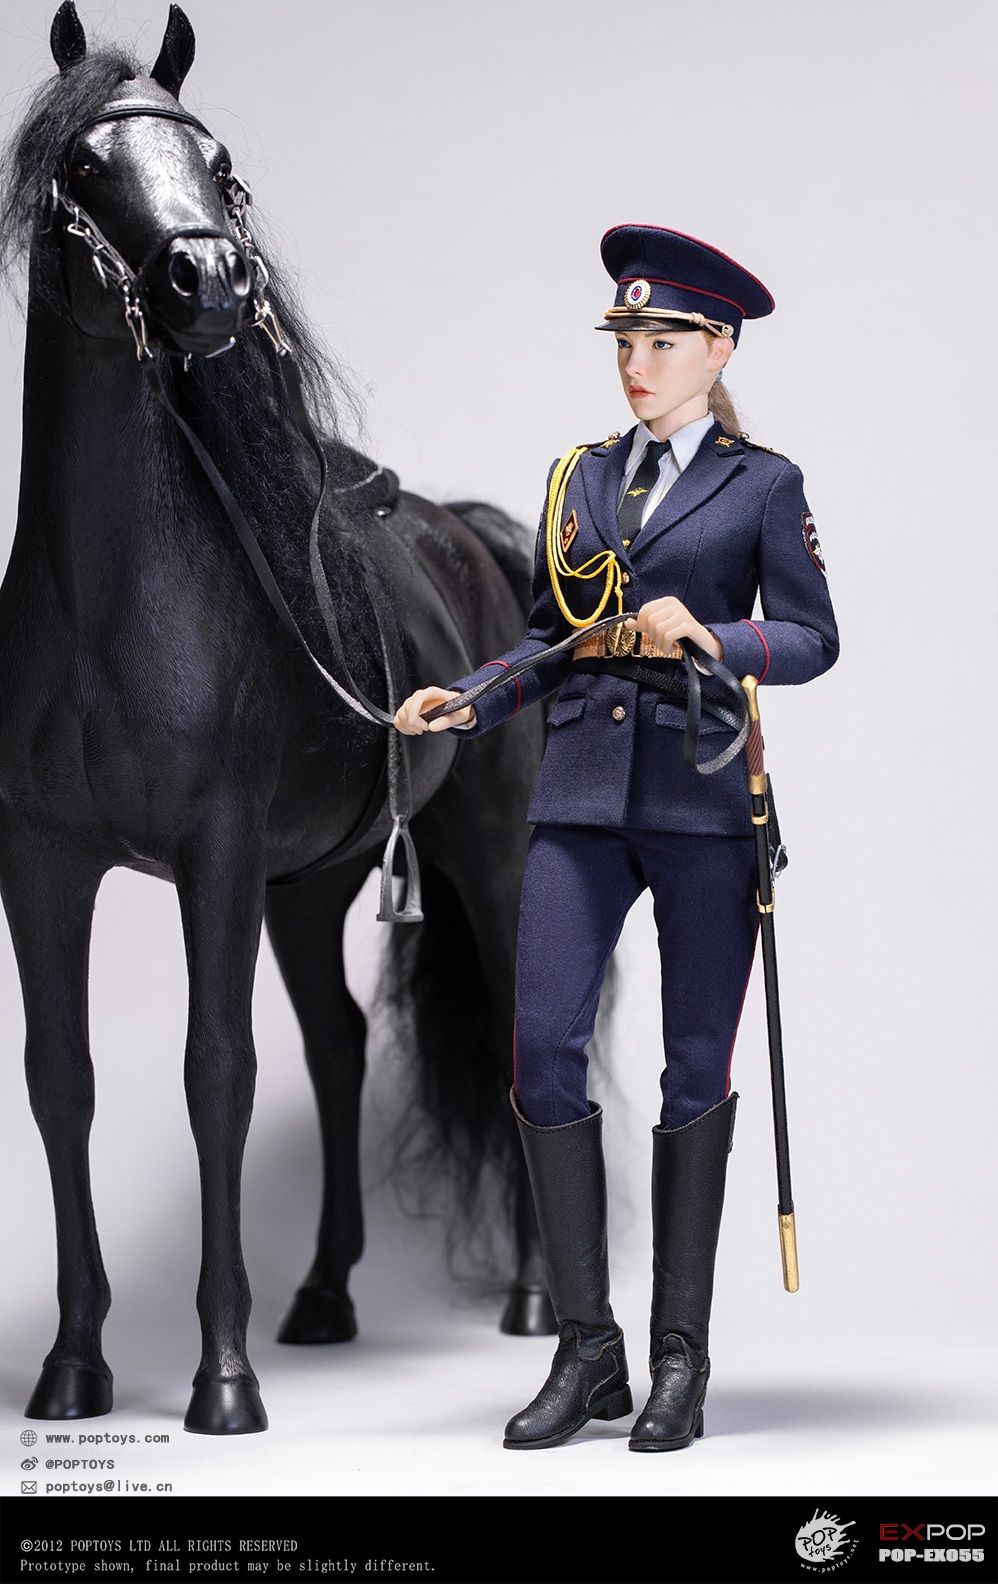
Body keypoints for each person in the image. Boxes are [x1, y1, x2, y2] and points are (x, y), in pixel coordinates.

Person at [394, 224, 839, 1452]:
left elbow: (811, 637)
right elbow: (552, 635)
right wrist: (470, 699)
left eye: (661, 342)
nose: (636, 364)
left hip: (701, 802)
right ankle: (586, 1349)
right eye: (624, 342)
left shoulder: (761, 485)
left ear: (717, 348)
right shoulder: (578, 478)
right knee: (543, 1051)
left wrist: (713, 636)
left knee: (693, 1069)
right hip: (580, 798)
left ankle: (677, 1357)